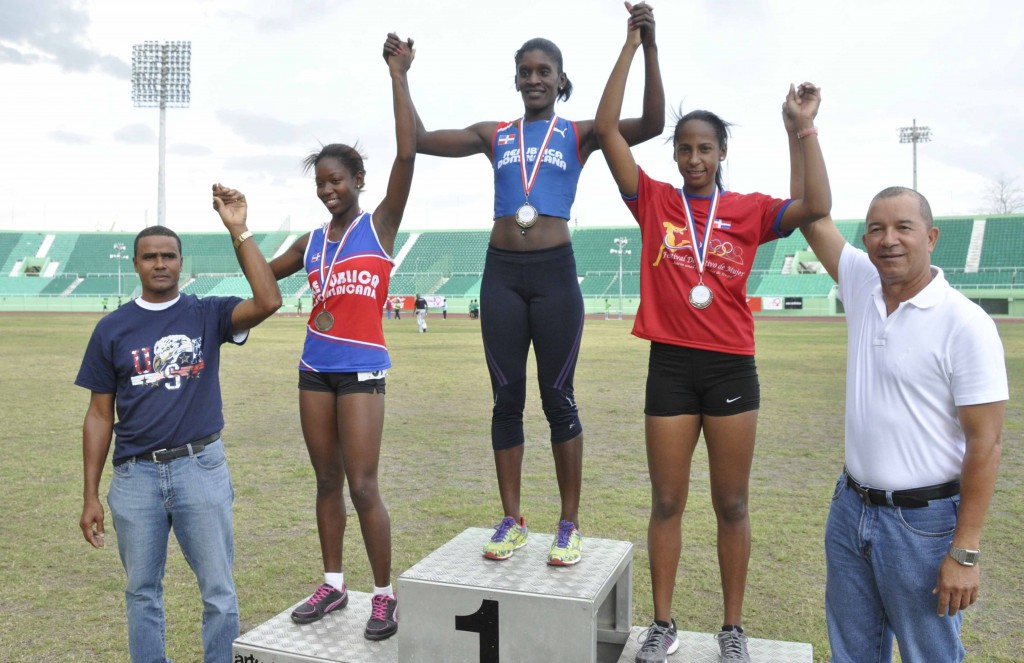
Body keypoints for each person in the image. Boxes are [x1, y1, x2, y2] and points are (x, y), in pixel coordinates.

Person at [385, 4, 664, 566]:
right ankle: (511, 519)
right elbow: (415, 140)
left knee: (559, 398)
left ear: (560, 80)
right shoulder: (495, 134)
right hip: (502, 276)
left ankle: (569, 524)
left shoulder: (584, 133)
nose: (534, 79)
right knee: (505, 401)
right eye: (525, 71)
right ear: (516, 79)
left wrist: (644, 45)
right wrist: (400, 76)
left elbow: (654, 123)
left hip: (555, 276)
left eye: (544, 71)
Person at [594, 8, 831, 661]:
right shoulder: (655, 201)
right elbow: (608, 127)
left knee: (731, 502)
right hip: (670, 366)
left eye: (705, 148)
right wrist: (637, 44)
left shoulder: (748, 210)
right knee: (667, 499)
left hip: (731, 369)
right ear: (674, 155)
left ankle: (732, 627)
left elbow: (815, 205)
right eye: (685, 148)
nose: (694, 157)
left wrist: (803, 130)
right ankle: (663, 623)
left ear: (721, 153)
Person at [798, 193, 1007, 662]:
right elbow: (813, 218)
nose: (888, 239)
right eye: (876, 228)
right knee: (852, 652)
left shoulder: (965, 323)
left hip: (925, 524)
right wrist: (801, 131)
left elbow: (986, 443)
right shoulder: (862, 285)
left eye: (903, 228)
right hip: (851, 508)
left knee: (928, 654)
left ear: (931, 238)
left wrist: (965, 551)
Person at [76, 187, 282, 663]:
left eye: (169, 255)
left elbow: (268, 299)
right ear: (136, 264)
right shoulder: (112, 329)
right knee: (141, 592)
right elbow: (99, 414)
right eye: (150, 256)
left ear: (181, 263)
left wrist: (238, 228)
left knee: (218, 591)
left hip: (200, 467)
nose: (160, 263)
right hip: (135, 477)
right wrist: (90, 494)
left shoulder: (207, 313)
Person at [263, 37, 415, 641]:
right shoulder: (311, 243)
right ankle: (333, 584)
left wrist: (397, 75)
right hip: (313, 366)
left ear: (357, 179)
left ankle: (385, 595)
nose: (328, 190)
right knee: (326, 481)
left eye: (337, 181)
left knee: (362, 484)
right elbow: (263, 275)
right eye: (321, 183)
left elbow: (407, 153)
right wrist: (238, 231)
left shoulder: (379, 225)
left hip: (361, 371)